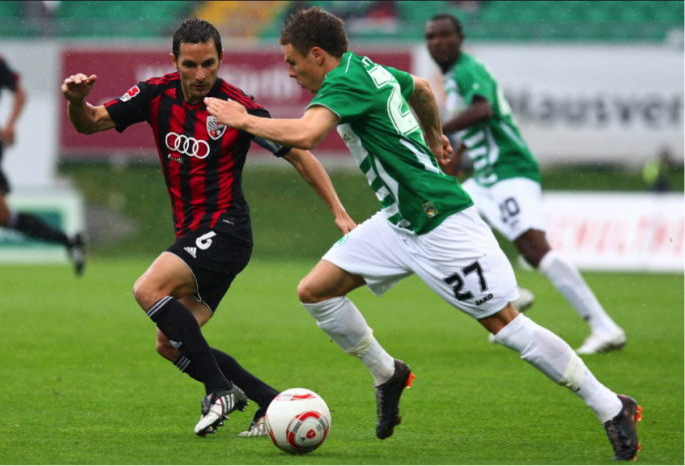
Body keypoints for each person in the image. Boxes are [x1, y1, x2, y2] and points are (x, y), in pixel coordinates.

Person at [204, 7, 642, 460]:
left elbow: (305, 135)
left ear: (318, 55)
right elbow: (424, 89)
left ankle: (612, 406)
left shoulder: (345, 82)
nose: (289, 71)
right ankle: (387, 373)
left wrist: (243, 120)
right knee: (316, 291)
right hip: (399, 221)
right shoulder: (366, 67)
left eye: (293, 61)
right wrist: (434, 136)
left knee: (508, 327)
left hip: (441, 224)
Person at [61, 18, 355, 437]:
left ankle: (220, 390)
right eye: (190, 65)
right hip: (194, 234)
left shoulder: (237, 106)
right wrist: (76, 101)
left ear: (221, 60)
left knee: (147, 289)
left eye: (209, 64)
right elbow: (89, 121)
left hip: (227, 229)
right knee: (170, 343)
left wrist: (338, 211)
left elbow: (300, 155)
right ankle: (269, 402)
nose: (200, 75)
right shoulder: (155, 94)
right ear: (174, 61)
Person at [424, 13, 626, 355]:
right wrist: (457, 155)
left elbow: (484, 110)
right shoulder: (454, 77)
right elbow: (477, 127)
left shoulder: (467, 70)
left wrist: (438, 130)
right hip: (486, 176)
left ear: (460, 38)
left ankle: (605, 327)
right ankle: (513, 294)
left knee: (535, 251)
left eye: (445, 35)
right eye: (431, 37)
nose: (437, 42)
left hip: (509, 171)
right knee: (446, 222)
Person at [0, 49, 85, 275]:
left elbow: (19, 93)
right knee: (2, 217)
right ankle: (68, 241)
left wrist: (10, 125)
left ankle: (68, 241)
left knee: (2, 217)